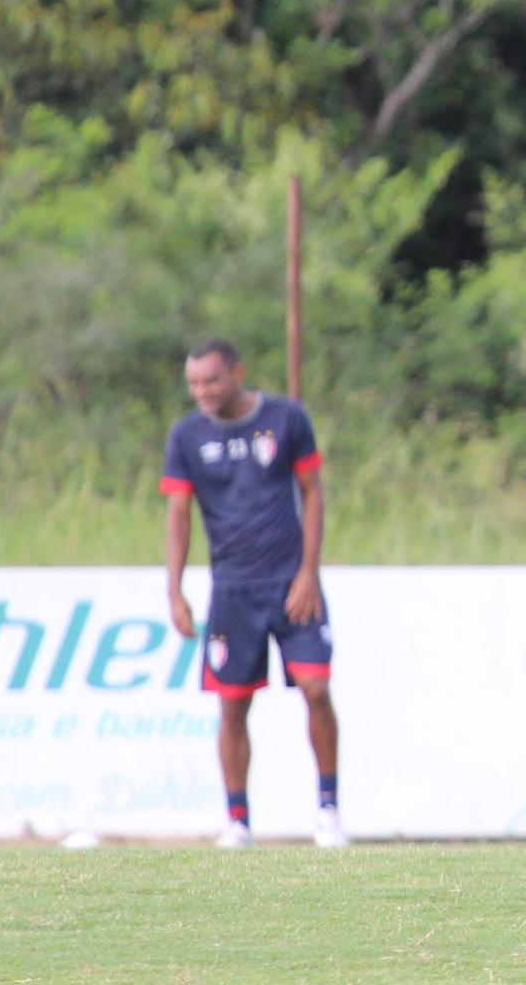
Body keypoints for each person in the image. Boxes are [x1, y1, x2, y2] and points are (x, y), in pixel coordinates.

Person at [161, 338, 346, 849]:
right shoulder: (186, 436)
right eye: (194, 383)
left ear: (237, 374)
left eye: (211, 381)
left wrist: (309, 572)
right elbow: (178, 515)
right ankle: (238, 820)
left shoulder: (286, 420)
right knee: (233, 706)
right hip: (232, 590)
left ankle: (328, 811)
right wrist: (174, 590)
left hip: (291, 582)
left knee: (315, 689)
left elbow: (312, 493)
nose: (201, 391)